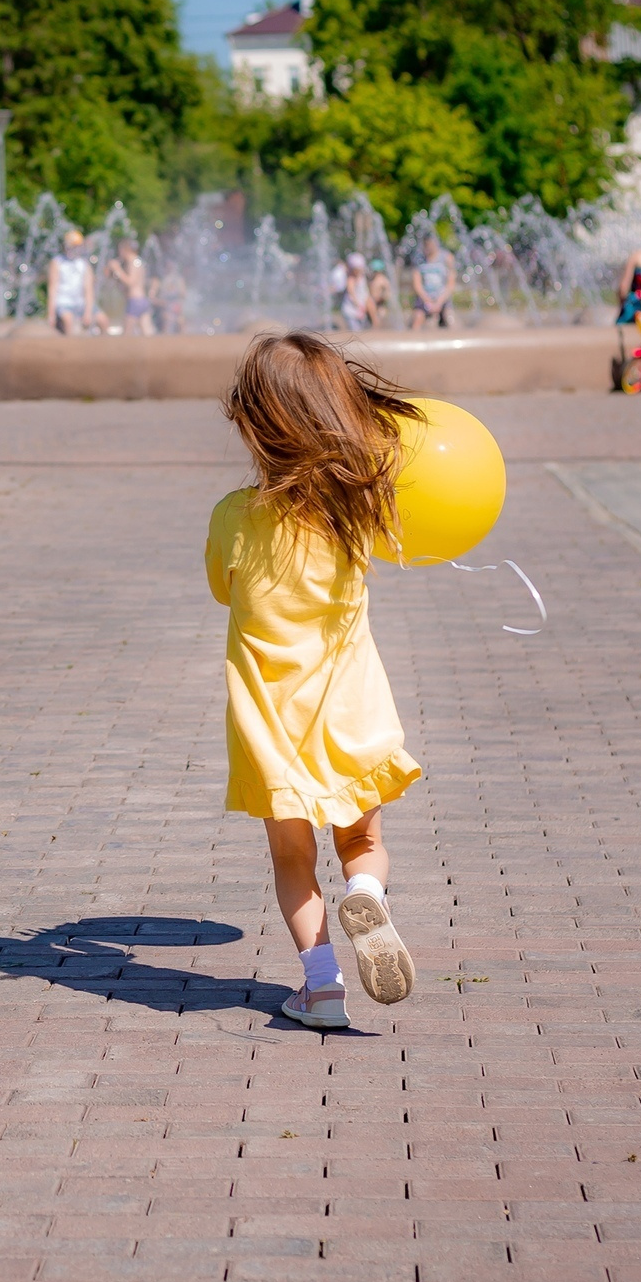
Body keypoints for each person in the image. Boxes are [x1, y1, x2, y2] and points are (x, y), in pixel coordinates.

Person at [208, 333, 422, 1030]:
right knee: (363, 842)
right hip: (351, 714)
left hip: (273, 726)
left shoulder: (236, 518)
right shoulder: (355, 512)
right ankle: (368, 893)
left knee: (292, 859)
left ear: (257, 427)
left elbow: (221, 586)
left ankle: (321, 986)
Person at [48, 228, 95, 334]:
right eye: (71, 246)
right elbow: (52, 288)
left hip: (80, 303)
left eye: (76, 247)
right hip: (63, 302)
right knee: (68, 321)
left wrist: (88, 312)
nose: (73, 249)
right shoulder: (57, 262)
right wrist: (51, 314)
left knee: (103, 321)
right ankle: (70, 348)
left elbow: (88, 290)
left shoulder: (84, 264)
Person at [108, 239, 152, 335]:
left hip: (134, 300)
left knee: (127, 333)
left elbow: (131, 282)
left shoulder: (133, 262)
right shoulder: (138, 261)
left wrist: (117, 269)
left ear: (125, 249)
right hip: (142, 300)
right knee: (147, 333)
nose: (119, 253)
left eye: (120, 250)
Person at [409, 238, 455, 329]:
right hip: (424, 300)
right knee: (417, 321)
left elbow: (450, 284)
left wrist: (439, 302)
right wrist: (428, 301)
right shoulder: (418, 259)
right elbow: (417, 285)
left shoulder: (446, 257)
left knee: (451, 321)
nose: (428, 246)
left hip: (443, 299)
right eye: (426, 243)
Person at [337, 252, 373, 334]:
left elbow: (365, 293)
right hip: (351, 310)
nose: (358, 271)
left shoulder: (362, 278)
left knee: (361, 331)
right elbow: (351, 294)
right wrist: (359, 305)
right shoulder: (351, 279)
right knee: (355, 331)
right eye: (356, 269)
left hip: (359, 309)